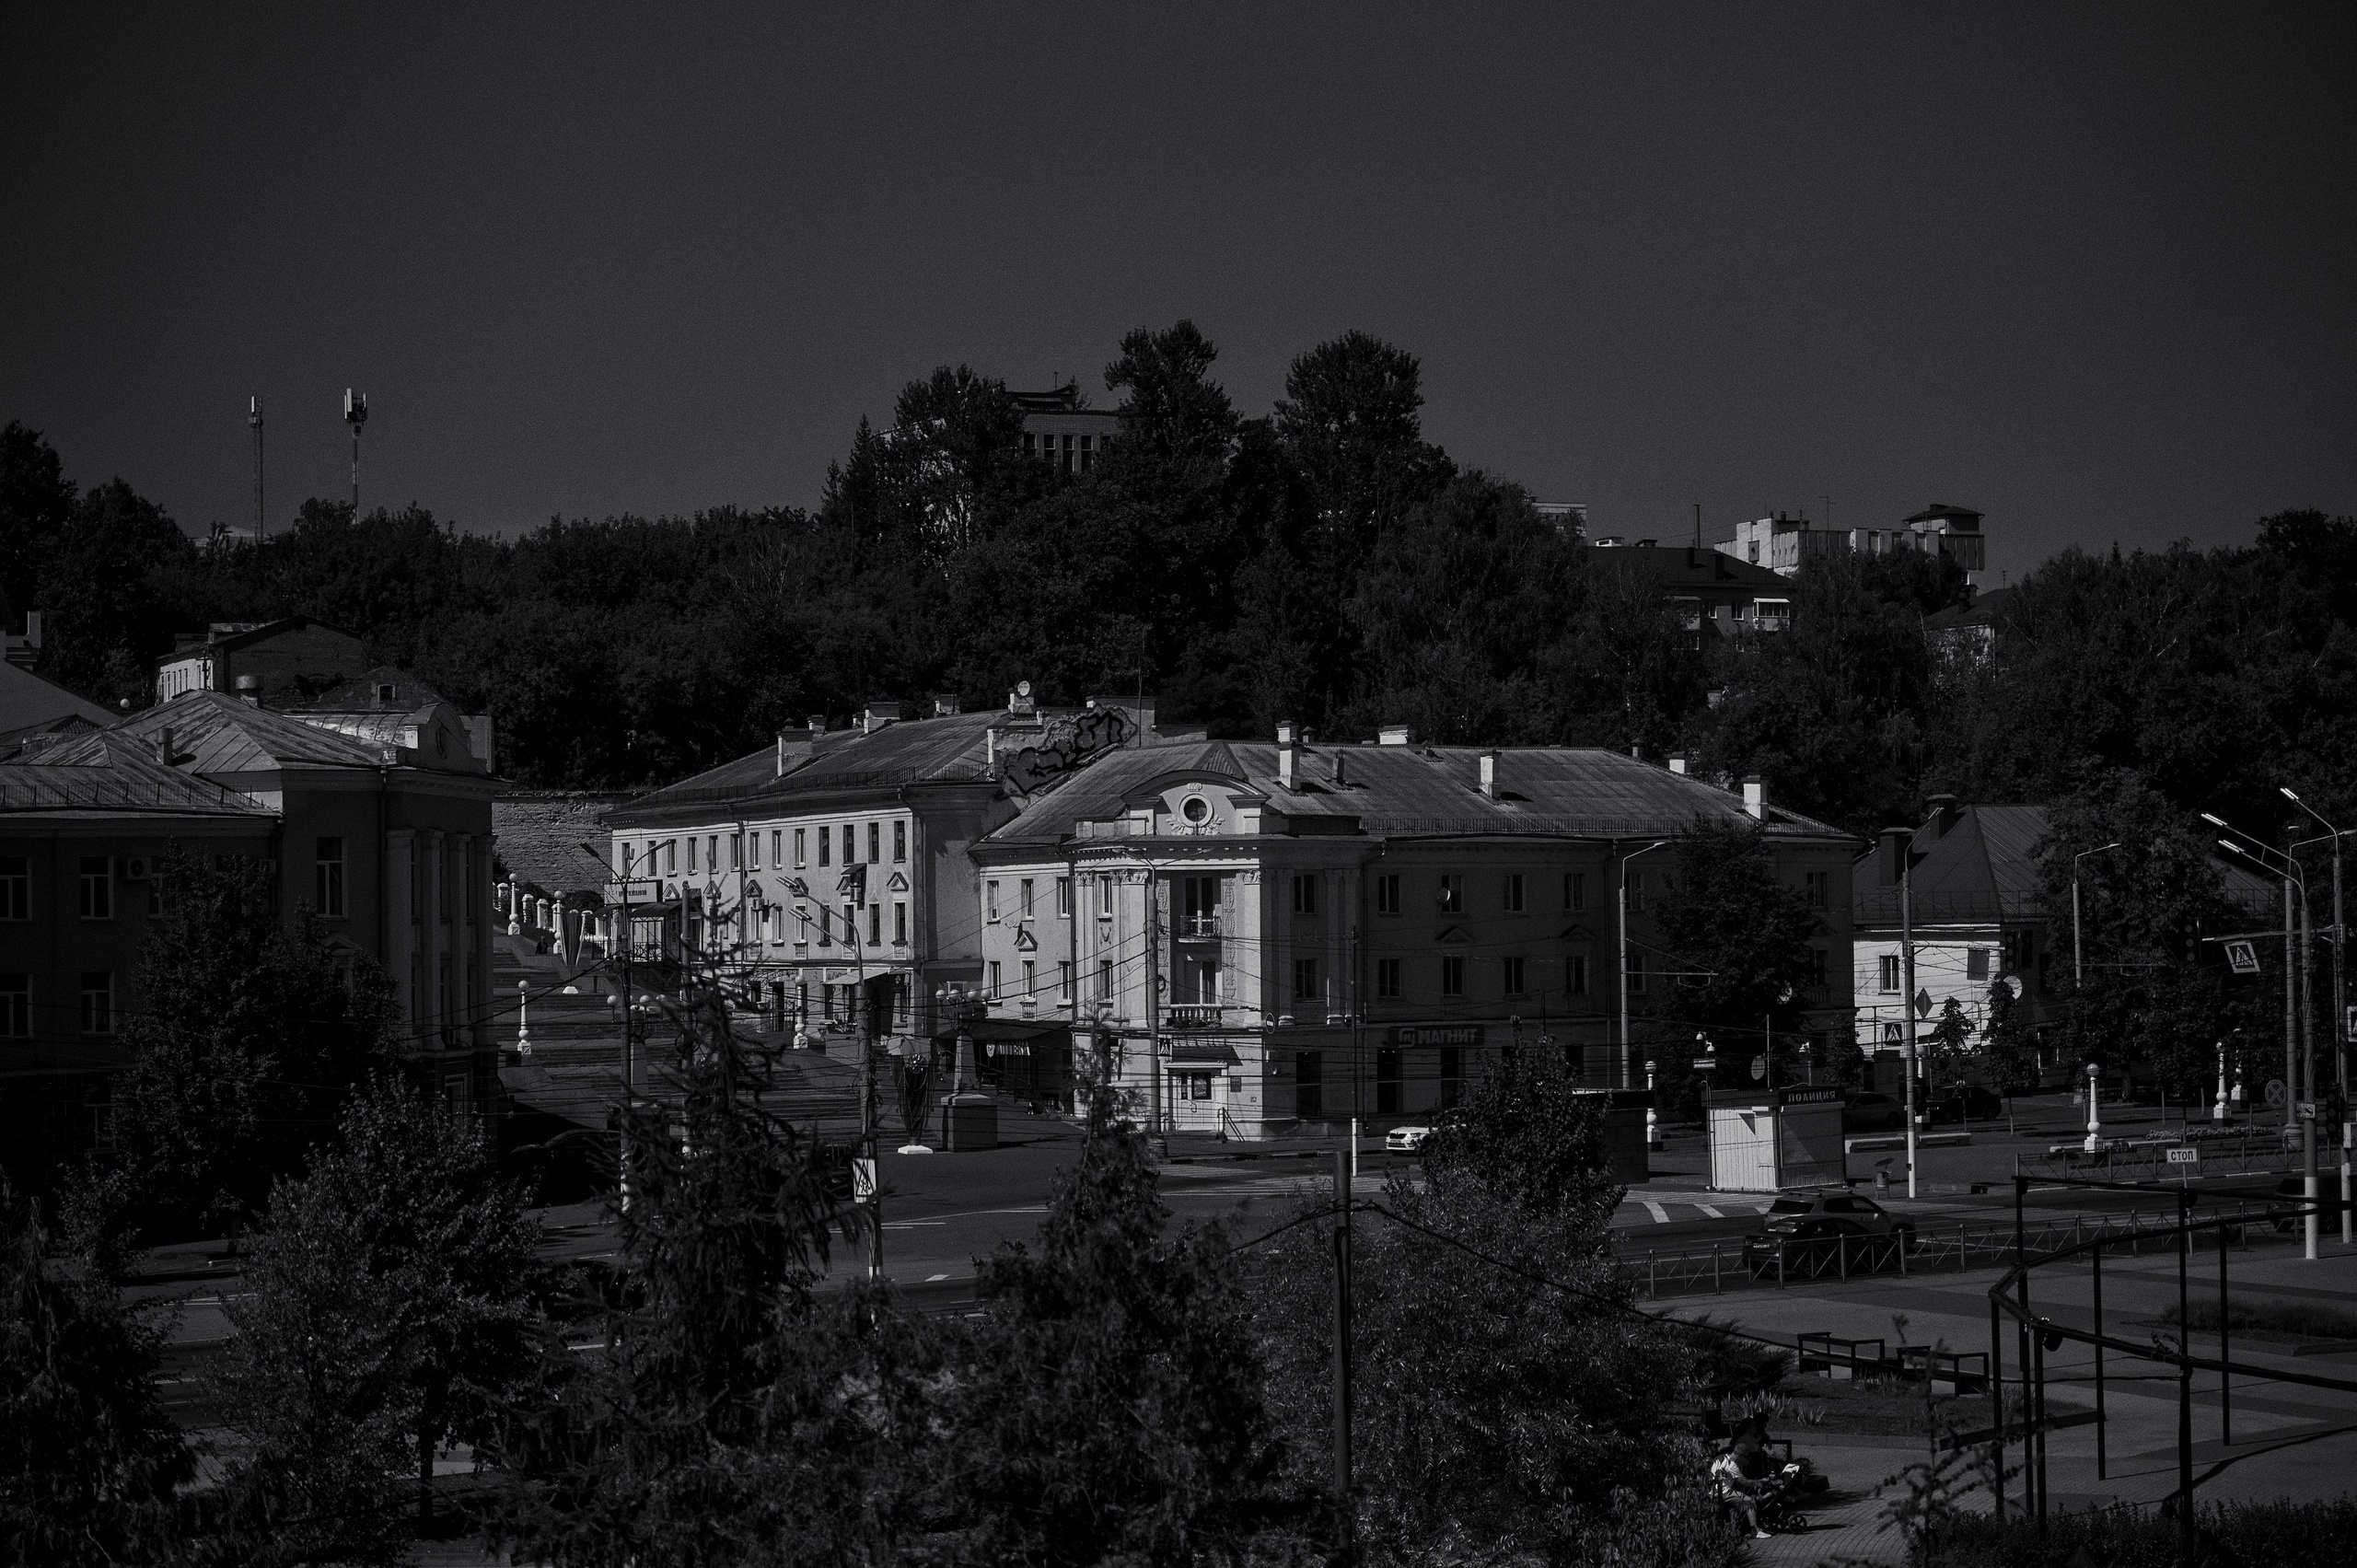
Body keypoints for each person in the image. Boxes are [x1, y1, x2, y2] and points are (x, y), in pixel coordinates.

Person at [1711, 1443, 1770, 1539]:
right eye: (1745, 1458)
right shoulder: (1733, 1466)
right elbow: (1745, 1482)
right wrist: (1760, 1481)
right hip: (1724, 1492)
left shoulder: (1720, 1458)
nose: (1745, 1461)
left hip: (1712, 1490)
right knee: (1750, 1501)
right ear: (1739, 1456)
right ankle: (1755, 1531)